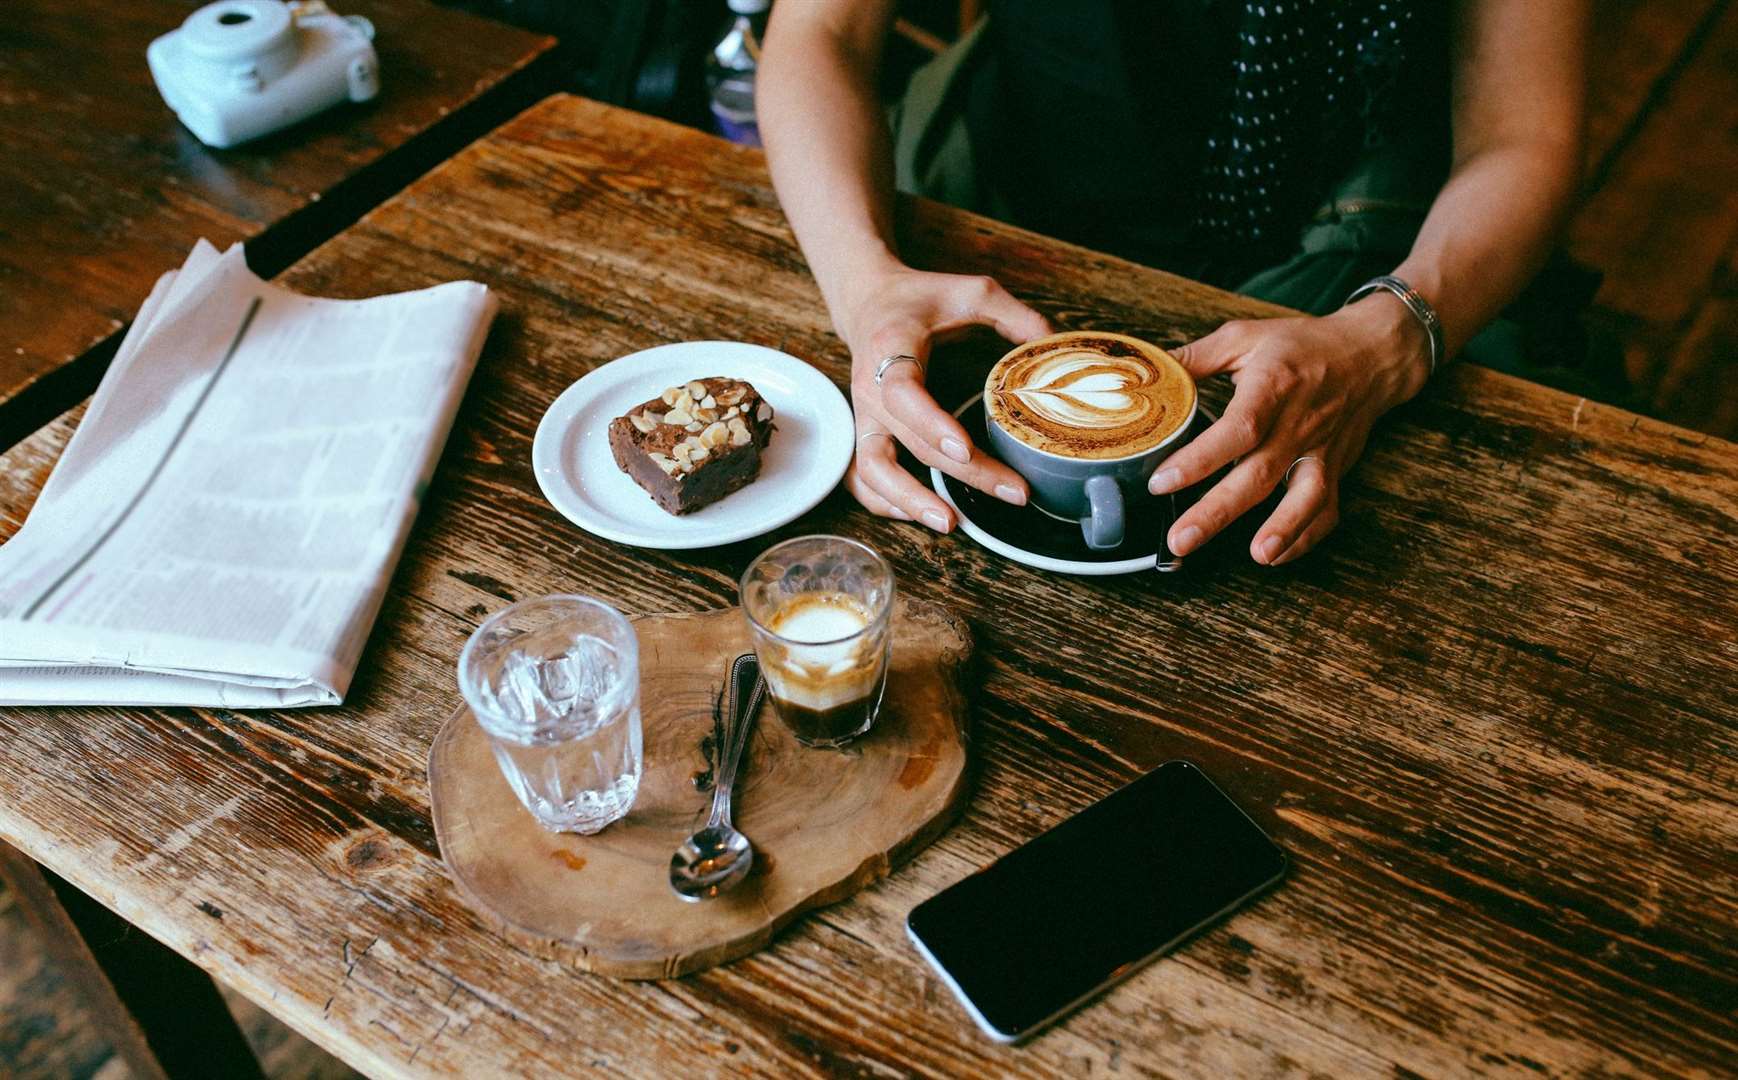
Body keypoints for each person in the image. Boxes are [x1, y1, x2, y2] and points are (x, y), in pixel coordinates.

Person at [757, 1, 1589, 564]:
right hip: (1008, 208)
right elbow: (822, 30)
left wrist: (1389, 342)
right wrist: (866, 284)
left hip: (1394, 252)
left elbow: (1525, 131)